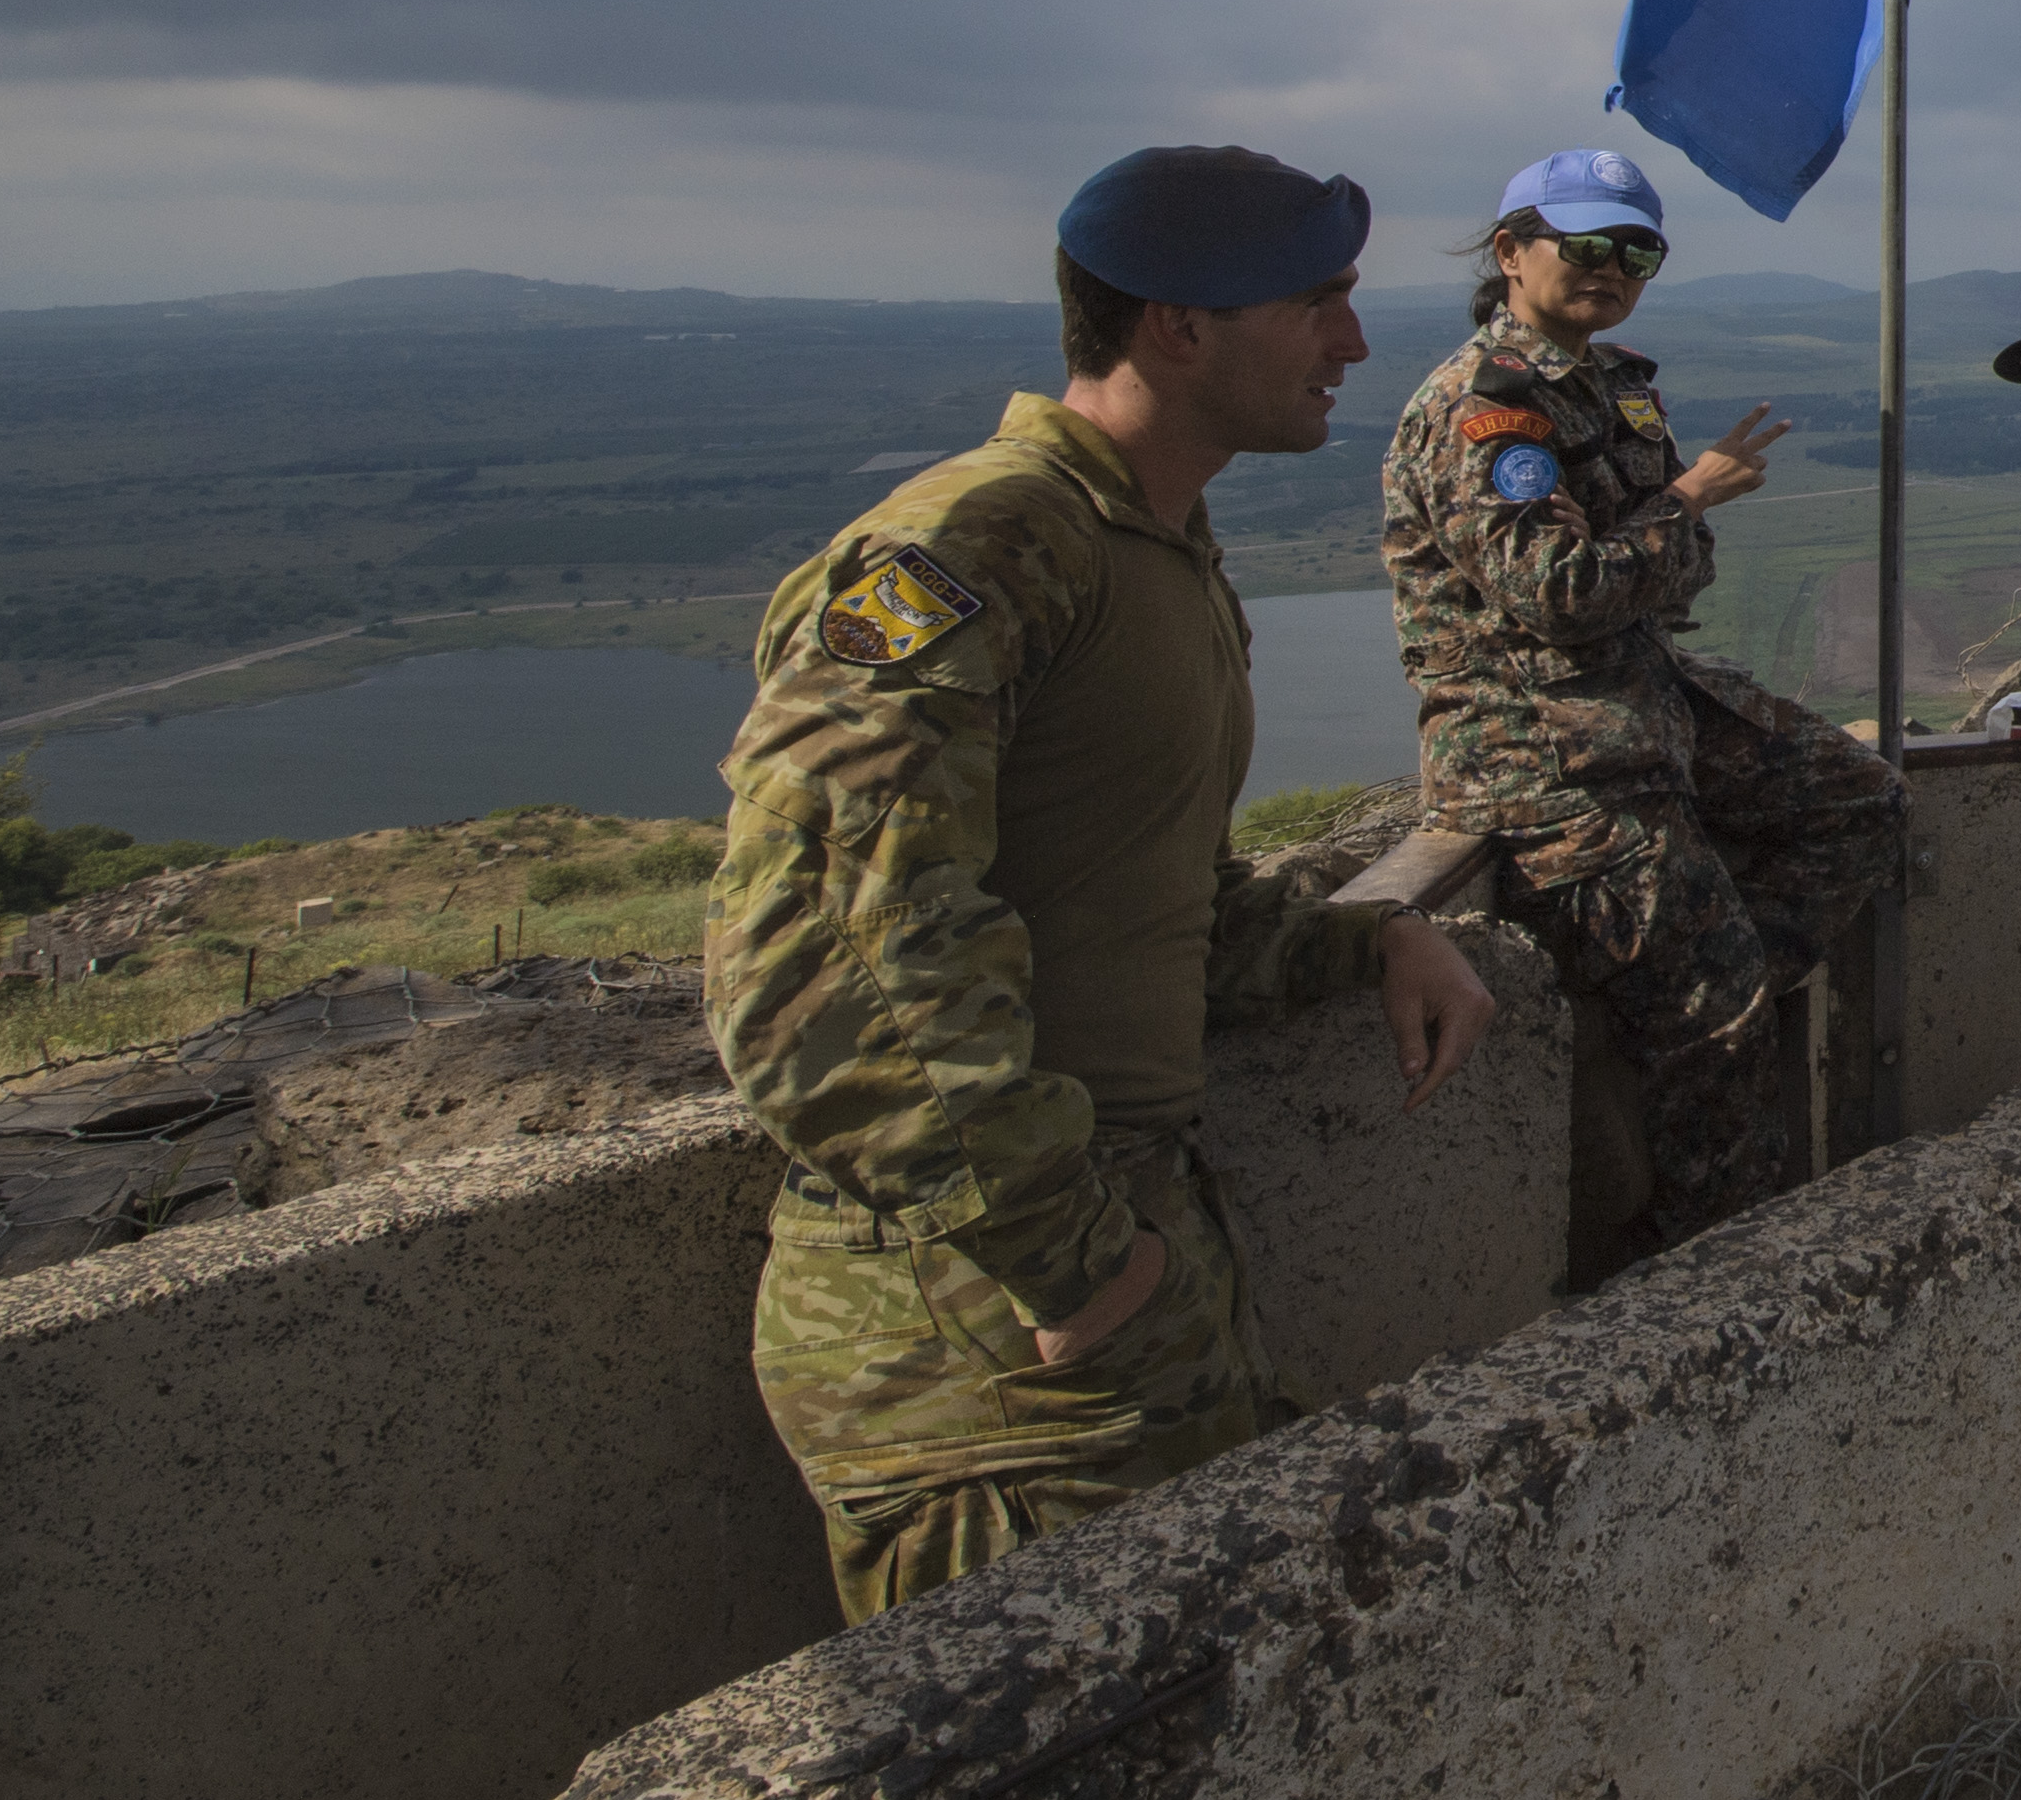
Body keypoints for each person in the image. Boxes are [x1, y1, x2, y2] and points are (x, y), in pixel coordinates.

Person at [709, 143, 1501, 1625]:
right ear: (1178, 324)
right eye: (1317, 300)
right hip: (982, 1341)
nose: (1353, 342)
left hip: (1097, 1286)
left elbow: (1142, 902)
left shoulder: (1148, 546)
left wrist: (1370, 942)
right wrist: (1074, 1263)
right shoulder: (972, 546)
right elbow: (813, 948)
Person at [1381, 147, 1901, 1249]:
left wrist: (1667, 520)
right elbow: (1562, 595)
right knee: (1717, 1021)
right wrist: (1688, 497)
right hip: (1538, 748)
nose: (1611, 268)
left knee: (1859, 802)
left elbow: (1664, 576)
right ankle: (1707, 1257)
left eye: (1636, 250)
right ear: (1511, 251)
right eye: (1584, 244)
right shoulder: (1488, 413)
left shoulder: (1611, 385)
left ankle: (1698, 994)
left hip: (1636, 699)